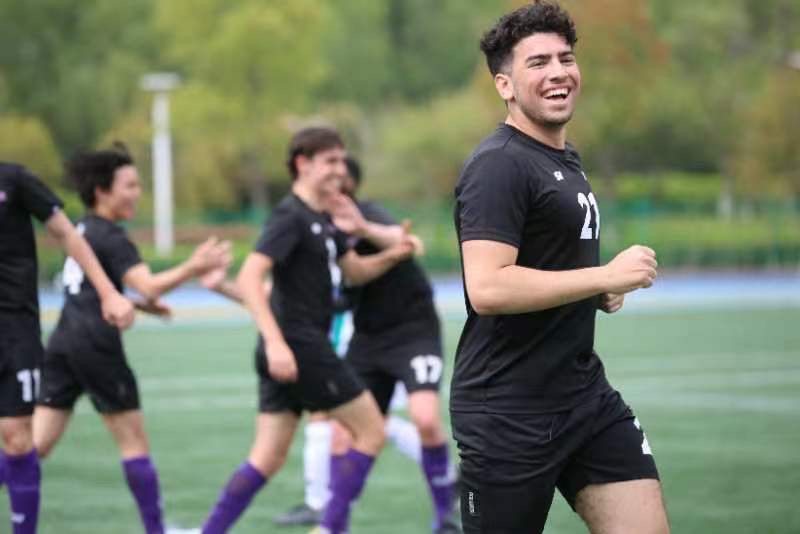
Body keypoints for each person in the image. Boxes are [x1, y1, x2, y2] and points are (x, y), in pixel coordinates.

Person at [451, 2, 669, 533]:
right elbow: (488, 286)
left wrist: (594, 293)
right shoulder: (499, 165)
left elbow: (543, 263)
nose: (558, 73)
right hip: (508, 413)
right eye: (538, 62)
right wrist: (603, 276)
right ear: (505, 84)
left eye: (565, 58)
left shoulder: (562, 158)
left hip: (583, 397)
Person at [197, 127, 414, 534]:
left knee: (267, 458)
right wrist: (278, 343)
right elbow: (250, 278)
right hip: (298, 347)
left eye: (341, 160)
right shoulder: (290, 216)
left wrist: (392, 255)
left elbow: (354, 272)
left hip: (291, 349)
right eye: (330, 161)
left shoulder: (323, 218)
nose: (339, 169)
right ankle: (329, 529)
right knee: (370, 431)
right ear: (303, 163)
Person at [31, 144, 230, 534]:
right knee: (133, 444)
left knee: (33, 448)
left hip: (63, 342)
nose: (137, 193)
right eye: (130, 185)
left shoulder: (81, 229)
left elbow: (92, 290)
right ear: (103, 191)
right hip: (96, 346)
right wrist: (194, 265)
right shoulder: (110, 236)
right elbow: (150, 284)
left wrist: (137, 306)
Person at [0, 160, 134, 534]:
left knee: (18, 437)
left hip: (14, 329)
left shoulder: (14, 178)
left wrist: (108, 292)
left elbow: (68, 234)